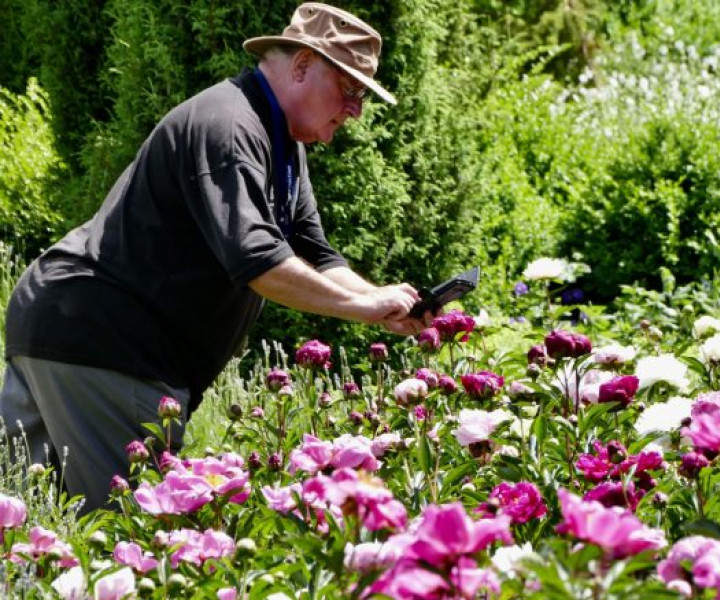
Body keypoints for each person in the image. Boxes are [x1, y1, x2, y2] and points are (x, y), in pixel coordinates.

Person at [0, 2, 427, 513]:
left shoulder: (282, 144)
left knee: (26, 539)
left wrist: (388, 304)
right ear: (301, 67)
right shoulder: (229, 126)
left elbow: (315, 253)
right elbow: (260, 262)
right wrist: (360, 308)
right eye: (351, 89)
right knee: (127, 540)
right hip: (107, 350)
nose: (356, 108)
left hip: (63, 329)